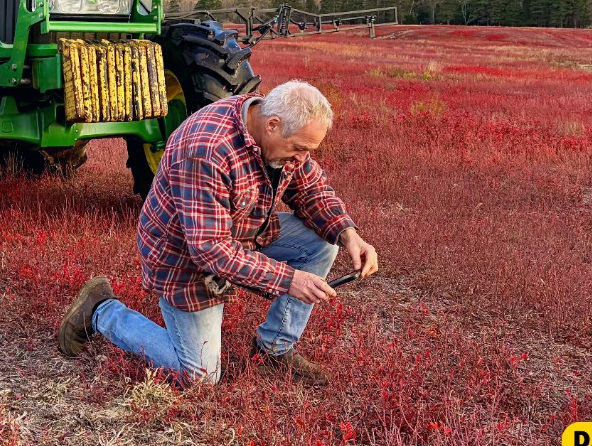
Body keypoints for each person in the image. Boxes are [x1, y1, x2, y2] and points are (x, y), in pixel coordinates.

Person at [58, 80, 379, 385]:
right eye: (298, 149)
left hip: (243, 232)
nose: (302, 158)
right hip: (184, 259)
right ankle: (103, 311)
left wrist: (348, 232)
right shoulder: (207, 150)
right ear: (272, 125)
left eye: (308, 151)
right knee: (198, 376)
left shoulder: (280, 133)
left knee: (323, 242)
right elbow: (211, 250)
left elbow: (311, 189)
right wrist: (290, 279)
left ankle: (274, 348)